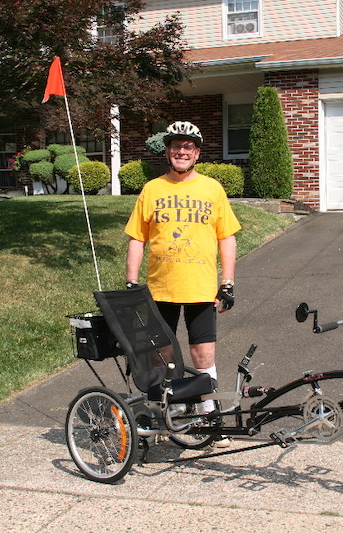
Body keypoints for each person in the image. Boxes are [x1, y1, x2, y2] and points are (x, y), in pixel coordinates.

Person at [124, 121, 241, 444]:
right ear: (168, 151)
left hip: (201, 289)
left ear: (197, 153)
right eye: (176, 146)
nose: (181, 151)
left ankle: (208, 414)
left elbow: (226, 237)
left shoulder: (212, 189)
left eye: (188, 147)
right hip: (160, 290)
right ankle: (162, 410)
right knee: (160, 354)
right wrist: (131, 282)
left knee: (203, 354)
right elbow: (137, 238)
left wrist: (227, 282)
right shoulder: (152, 189)